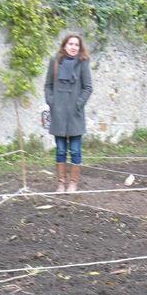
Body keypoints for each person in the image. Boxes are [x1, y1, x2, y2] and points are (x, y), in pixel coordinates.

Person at [44, 34, 93, 193]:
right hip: (58, 113)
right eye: (70, 44)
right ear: (65, 45)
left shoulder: (82, 63)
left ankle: (73, 183)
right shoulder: (55, 61)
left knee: (75, 150)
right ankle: (61, 183)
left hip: (75, 114)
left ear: (80, 48)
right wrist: (52, 102)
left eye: (76, 45)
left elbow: (88, 87)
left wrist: (78, 104)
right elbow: (48, 85)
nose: (73, 47)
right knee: (60, 150)